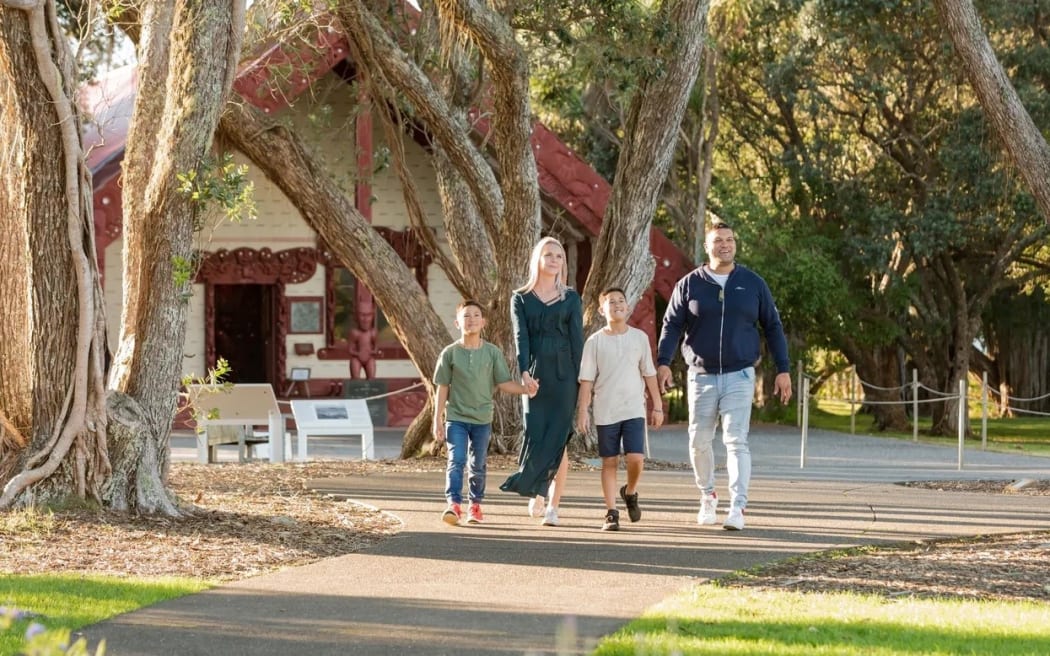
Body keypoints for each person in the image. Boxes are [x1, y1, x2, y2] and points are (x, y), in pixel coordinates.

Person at [656, 222, 792, 531]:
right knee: (698, 442)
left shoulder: (753, 284)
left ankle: (737, 507)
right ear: (707, 247)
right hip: (700, 376)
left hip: (740, 376)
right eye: (718, 240)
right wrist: (663, 362)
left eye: (729, 239)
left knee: (736, 441)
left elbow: (773, 327)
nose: (725, 245)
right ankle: (708, 495)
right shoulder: (689, 284)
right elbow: (671, 326)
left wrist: (783, 369)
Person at [499, 237, 584, 527]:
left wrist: (582, 381)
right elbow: (521, 338)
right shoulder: (520, 298)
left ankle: (553, 505)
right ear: (537, 259)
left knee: (559, 439)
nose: (553, 260)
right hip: (535, 374)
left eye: (558, 256)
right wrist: (524, 373)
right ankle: (535, 488)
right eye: (548, 254)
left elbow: (577, 341)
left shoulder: (571, 298)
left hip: (565, 376)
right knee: (535, 436)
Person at [433, 300, 538, 526]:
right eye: (466, 316)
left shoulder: (492, 353)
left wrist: (525, 389)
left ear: (483, 322)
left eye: (476, 315)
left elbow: (503, 383)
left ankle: (475, 505)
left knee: (477, 463)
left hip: (482, 418)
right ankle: (453, 504)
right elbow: (442, 387)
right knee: (457, 459)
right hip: (456, 418)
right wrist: (437, 420)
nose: (471, 319)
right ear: (457, 323)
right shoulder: (449, 353)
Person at [575, 287, 663, 532]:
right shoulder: (594, 342)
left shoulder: (639, 338)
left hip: (633, 409)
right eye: (610, 302)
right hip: (606, 411)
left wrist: (657, 405)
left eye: (621, 301)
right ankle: (611, 512)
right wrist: (583, 410)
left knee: (636, 458)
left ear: (628, 307)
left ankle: (630, 491)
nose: (616, 305)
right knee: (609, 461)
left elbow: (649, 373)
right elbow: (587, 380)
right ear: (602, 310)